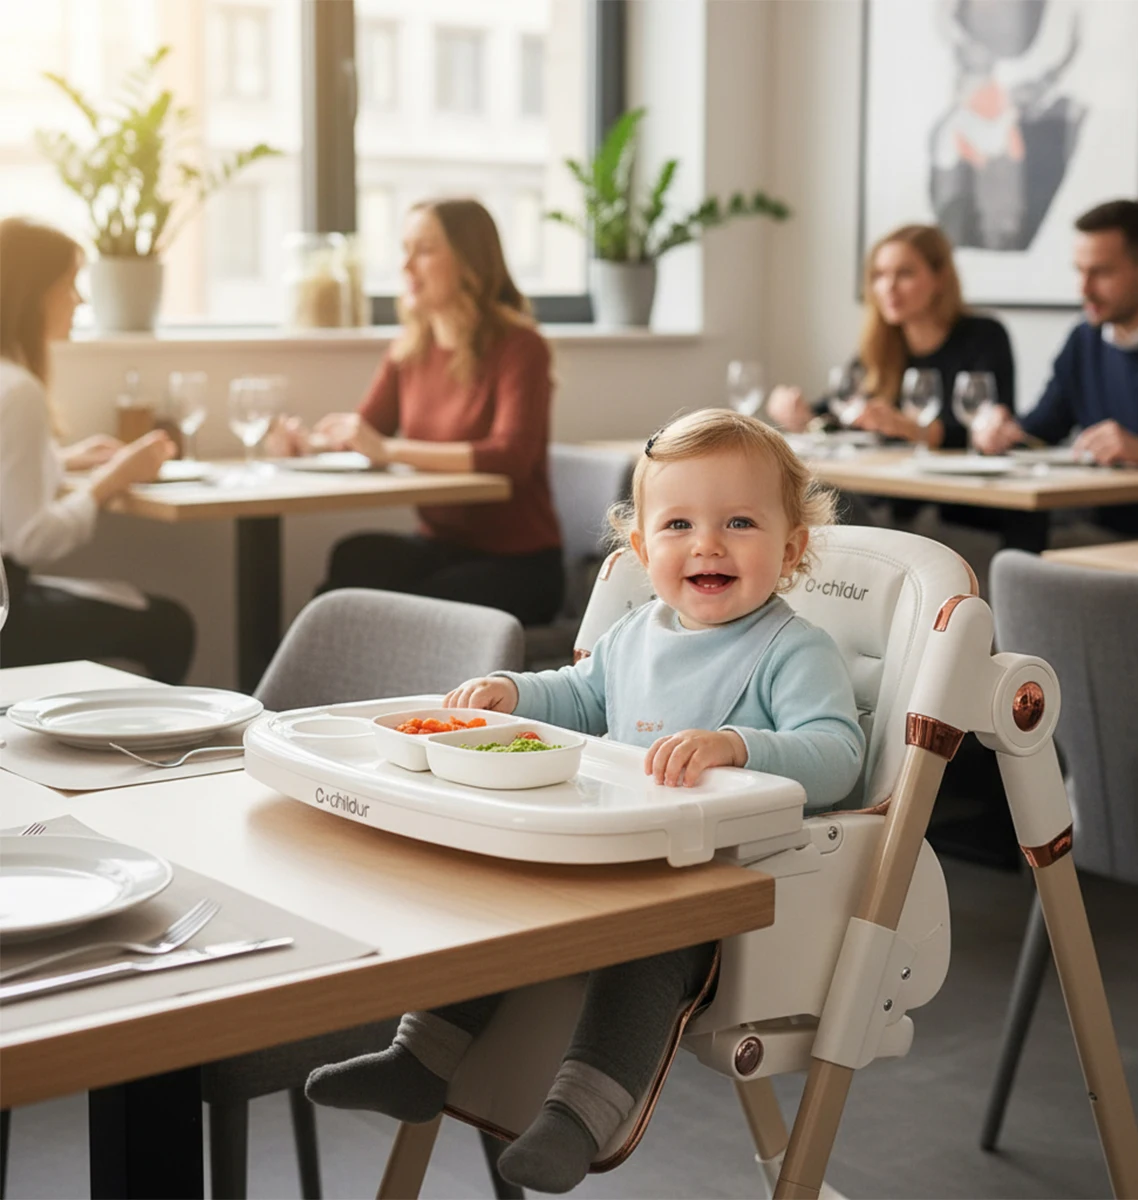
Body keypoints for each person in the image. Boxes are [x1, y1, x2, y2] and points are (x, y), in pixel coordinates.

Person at [304, 409, 866, 1193]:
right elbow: (579, 696)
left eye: (740, 522)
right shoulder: (637, 632)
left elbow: (841, 756)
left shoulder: (792, 650)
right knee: (501, 890)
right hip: (611, 851)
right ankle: (419, 1057)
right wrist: (513, 692)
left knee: (650, 943)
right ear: (642, 550)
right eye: (679, 524)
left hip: (714, 885)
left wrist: (737, 744)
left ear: (792, 547)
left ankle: (576, 1119)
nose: (707, 544)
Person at [286, 198, 564, 625]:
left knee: (416, 608)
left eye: (424, 250)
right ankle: (319, 685)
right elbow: (367, 434)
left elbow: (510, 457)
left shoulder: (519, 347)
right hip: (442, 545)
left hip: (519, 563)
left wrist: (390, 450)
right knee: (355, 558)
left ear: (469, 260)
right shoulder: (410, 348)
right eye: (405, 250)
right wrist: (307, 445)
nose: (406, 266)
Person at [0, 217, 195, 683]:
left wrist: (63, 461)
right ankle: (157, 749)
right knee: (170, 625)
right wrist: (113, 481)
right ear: (33, 294)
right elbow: (31, 540)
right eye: (70, 284)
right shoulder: (19, 390)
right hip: (10, 613)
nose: (80, 300)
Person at [973, 199, 1138, 536]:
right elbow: (1042, 428)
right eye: (1079, 270)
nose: (1084, 289)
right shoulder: (1084, 340)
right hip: (1099, 530)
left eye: (1101, 272)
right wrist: (1002, 433)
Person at [767, 223, 1014, 450]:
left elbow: (986, 431)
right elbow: (838, 409)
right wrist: (800, 414)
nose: (888, 287)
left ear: (940, 278)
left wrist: (906, 427)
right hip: (889, 486)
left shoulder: (984, 336)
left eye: (905, 273)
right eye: (879, 275)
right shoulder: (882, 342)